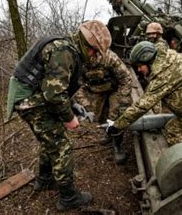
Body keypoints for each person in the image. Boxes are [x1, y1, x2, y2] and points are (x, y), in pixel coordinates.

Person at [6, 20, 112, 211]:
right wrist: (69, 118)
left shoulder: (66, 48)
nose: (95, 56)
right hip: (30, 102)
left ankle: (45, 179)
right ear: (87, 45)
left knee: (50, 140)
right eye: (95, 52)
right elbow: (53, 94)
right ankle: (68, 197)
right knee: (62, 146)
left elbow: (56, 86)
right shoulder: (63, 51)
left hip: (33, 98)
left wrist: (73, 106)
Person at [74, 49, 132, 164]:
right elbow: (77, 86)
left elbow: (126, 78)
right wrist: (85, 104)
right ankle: (108, 133)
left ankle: (118, 144)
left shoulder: (110, 57)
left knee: (115, 115)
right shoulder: (78, 62)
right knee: (100, 116)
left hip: (115, 89)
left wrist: (124, 101)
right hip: (97, 91)